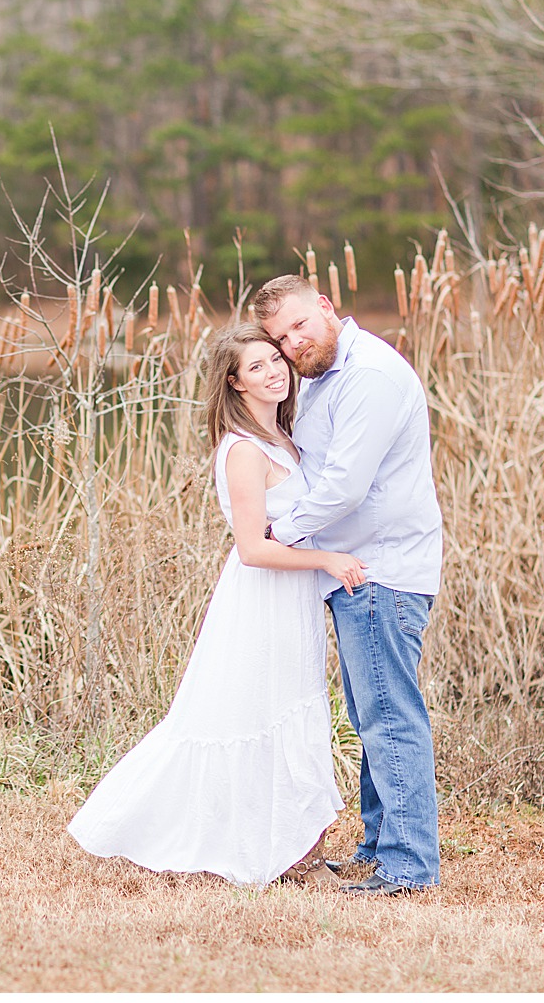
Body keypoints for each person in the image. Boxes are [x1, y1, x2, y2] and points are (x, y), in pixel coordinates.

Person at [67, 324, 366, 888]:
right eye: (257, 367)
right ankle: (172, 829)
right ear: (234, 382)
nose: (275, 371)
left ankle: (293, 849)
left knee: (292, 711)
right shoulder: (243, 452)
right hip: (261, 598)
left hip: (289, 601)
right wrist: (328, 561)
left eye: (276, 360)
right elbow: (253, 550)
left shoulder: (282, 438)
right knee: (249, 715)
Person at [254, 274, 444, 897]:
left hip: (382, 571)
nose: (293, 343)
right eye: (281, 338)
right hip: (355, 568)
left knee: (390, 717)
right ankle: (378, 848)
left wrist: (276, 532)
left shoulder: (369, 377)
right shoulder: (326, 379)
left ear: (327, 307)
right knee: (372, 715)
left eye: (301, 325)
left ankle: (410, 866)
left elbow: (343, 487)